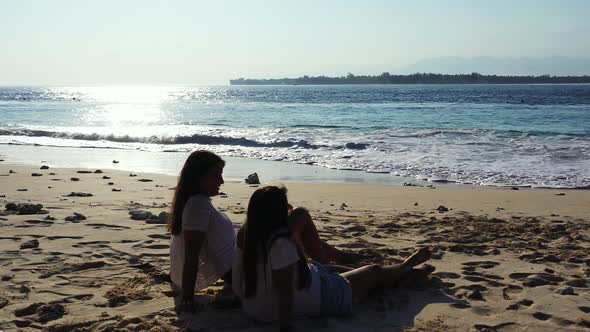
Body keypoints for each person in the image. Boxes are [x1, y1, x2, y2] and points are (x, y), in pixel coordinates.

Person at [232, 186, 434, 331]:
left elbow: (239, 277)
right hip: (323, 298)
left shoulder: (246, 234)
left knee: (335, 269)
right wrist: (285, 327)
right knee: (374, 272)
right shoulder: (280, 244)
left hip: (255, 307)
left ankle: (401, 274)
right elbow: (284, 292)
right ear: (278, 214)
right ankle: (408, 265)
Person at [167, 150, 236, 313]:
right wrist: (187, 298)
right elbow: (191, 255)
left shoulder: (196, 202)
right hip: (237, 272)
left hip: (234, 268)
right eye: (215, 175)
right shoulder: (197, 205)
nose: (222, 181)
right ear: (198, 177)